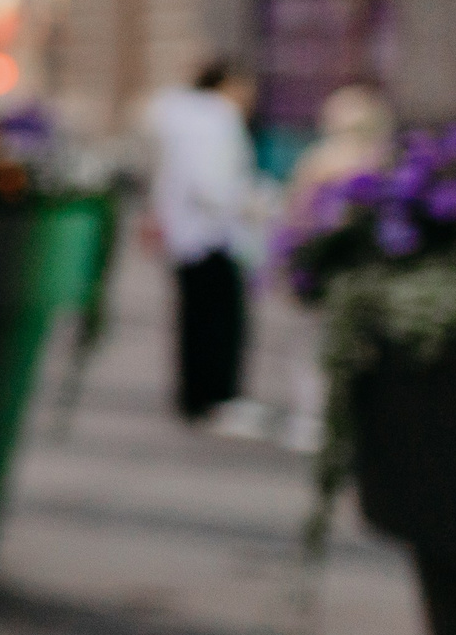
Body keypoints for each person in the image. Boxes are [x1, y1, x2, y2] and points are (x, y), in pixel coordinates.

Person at [144, 61, 262, 429]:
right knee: (218, 322)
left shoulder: (183, 119)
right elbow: (212, 182)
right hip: (213, 236)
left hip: (189, 235)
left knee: (194, 320)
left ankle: (196, 398)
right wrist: (246, 204)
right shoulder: (216, 119)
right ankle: (215, 398)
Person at [278, 83, 395, 452]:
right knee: (351, 345)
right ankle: (340, 419)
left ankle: (313, 418)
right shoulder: (380, 160)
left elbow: (296, 213)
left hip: (323, 265)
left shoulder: (323, 157)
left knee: (312, 345)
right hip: (355, 268)